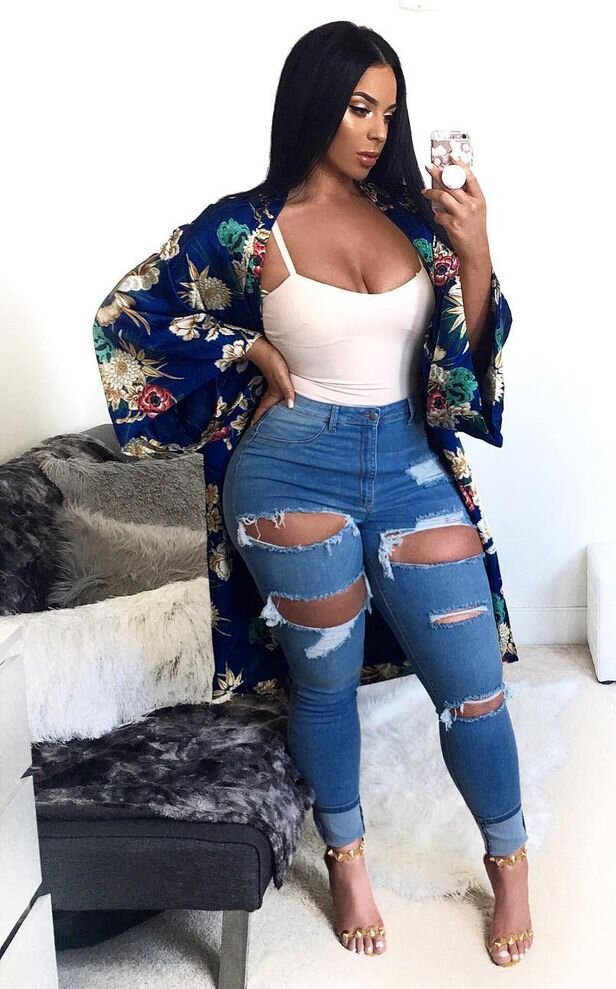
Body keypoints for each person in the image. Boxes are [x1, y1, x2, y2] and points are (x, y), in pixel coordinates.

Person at [94, 19, 531, 968]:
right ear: (314, 103)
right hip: (290, 468)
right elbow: (127, 315)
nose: (376, 129)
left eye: (389, 111)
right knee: (322, 683)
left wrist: (477, 247)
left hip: (409, 465)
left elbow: (466, 365)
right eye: (358, 107)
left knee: (473, 689)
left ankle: (510, 864)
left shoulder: (419, 216)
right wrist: (246, 345)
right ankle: (347, 858)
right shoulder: (243, 225)